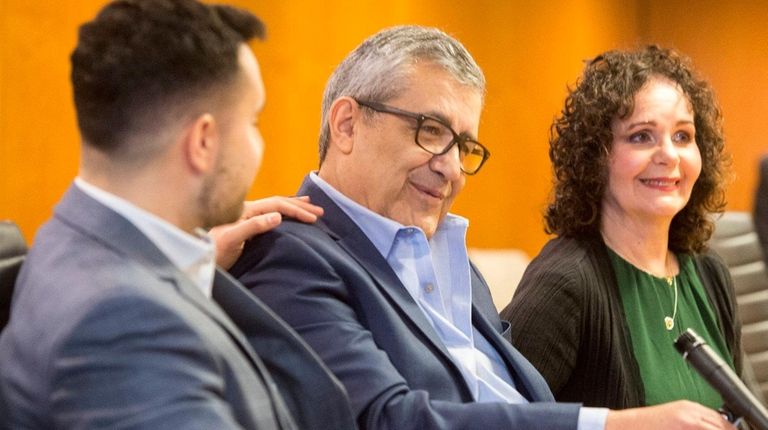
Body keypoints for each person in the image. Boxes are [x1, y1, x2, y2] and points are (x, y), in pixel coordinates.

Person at [229, 28, 734, 429]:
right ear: (346, 125)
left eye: (465, 147)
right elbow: (386, 420)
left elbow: (516, 398)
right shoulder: (289, 252)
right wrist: (614, 426)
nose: (450, 168)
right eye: (431, 132)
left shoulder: (449, 257)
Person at [0, 1, 356, 429]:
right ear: (202, 141)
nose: (257, 144)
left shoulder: (71, 238)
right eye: (254, 121)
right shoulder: (125, 327)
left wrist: (194, 256)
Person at [501, 46, 741, 413]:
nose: (669, 155)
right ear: (596, 157)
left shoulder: (710, 275)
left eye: (682, 136)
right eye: (641, 136)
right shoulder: (566, 282)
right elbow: (496, 419)